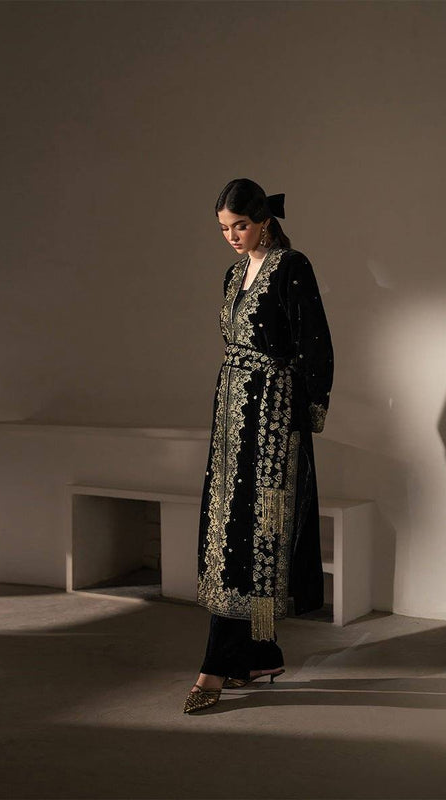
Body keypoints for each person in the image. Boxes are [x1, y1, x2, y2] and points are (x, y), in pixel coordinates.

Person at [183, 178, 334, 714]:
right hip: (231, 415)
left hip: (271, 418)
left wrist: (304, 418)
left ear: (264, 220)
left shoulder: (292, 267)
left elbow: (316, 343)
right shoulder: (232, 274)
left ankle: (214, 666)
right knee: (228, 527)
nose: (232, 236)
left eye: (240, 225)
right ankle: (259, 656)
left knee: (254, 535)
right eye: (224, 228)